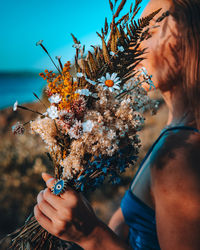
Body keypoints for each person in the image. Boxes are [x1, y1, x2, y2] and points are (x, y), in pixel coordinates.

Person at [34, 0, 200, 249]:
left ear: (189, 40)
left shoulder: (179, 156)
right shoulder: (176, 133)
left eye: (149, 33)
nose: (135, 46)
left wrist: (91, 235)